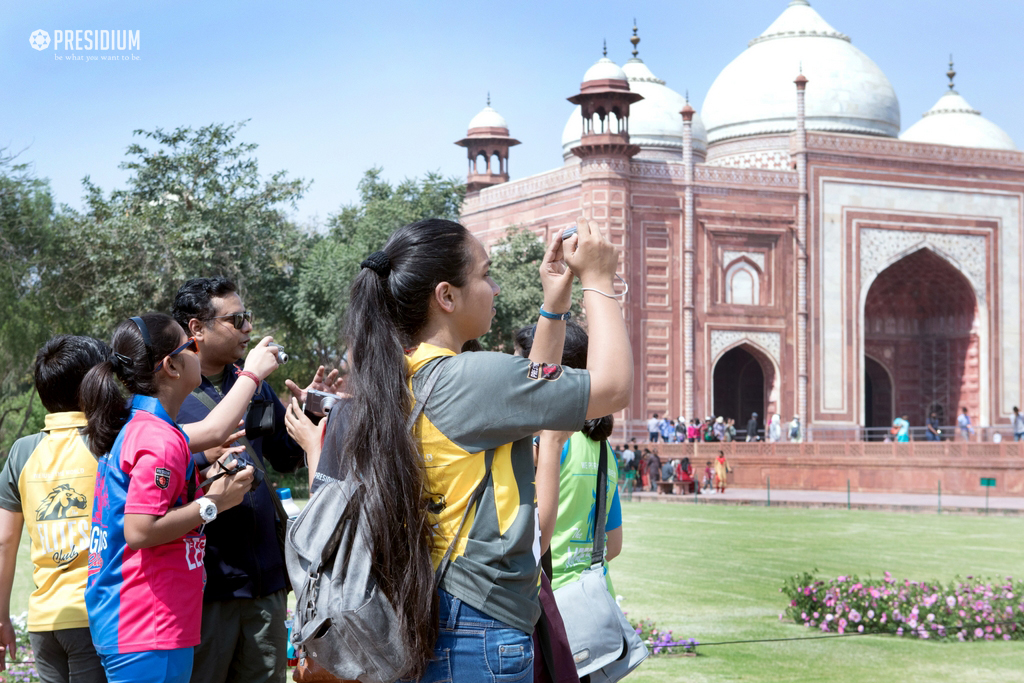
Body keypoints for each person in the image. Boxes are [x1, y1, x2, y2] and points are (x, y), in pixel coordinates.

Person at [329, 216, 631, 682]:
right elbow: (612, 387)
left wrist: (554, 309)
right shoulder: (468, 377)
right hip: (476, 625)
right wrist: (599, 280)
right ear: (446, 296)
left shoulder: (403, 376)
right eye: (485, 274)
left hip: (435, 607)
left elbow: (530, 402)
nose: (494, 288)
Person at [172, 278, 341, 683]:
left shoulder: (254, 385)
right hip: (207, 583)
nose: (249, 328)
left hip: (264, 578)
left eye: (247, 317)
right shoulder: (170, 392)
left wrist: (312, 412)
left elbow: (285, 457)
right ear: (197, 328)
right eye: (237, 319)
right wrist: (204, 458)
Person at [82, 314, 262, 683]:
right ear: (171, 366)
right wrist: (214, 503)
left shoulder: (143, 426)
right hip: (148, 625)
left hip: (140, 624)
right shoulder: (159, 439)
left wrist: (207, 484)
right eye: (191, 345)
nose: (200, 351)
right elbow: (140, 530)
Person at [0, 336, 110, 683]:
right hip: (97, 620)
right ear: (94, 384)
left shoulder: (21, 451)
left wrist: (2, 617)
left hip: (43, 624)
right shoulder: (108, 440)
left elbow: (4, 542)